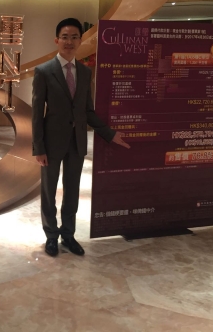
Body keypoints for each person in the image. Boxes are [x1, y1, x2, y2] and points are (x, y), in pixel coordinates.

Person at [32, 18, 130, 257]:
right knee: (49, 192)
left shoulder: (85, 72)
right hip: (51, 143)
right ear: (57, 40)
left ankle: (68, 235)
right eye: (65, 37)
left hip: (76, 142)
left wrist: (109, 134)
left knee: (72, 191)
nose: (69, 41)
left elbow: (88, 111)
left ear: (80, 41)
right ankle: (51, 236)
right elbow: (37, 112)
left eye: (74, 37)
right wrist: (38, 147)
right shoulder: (44, 71)